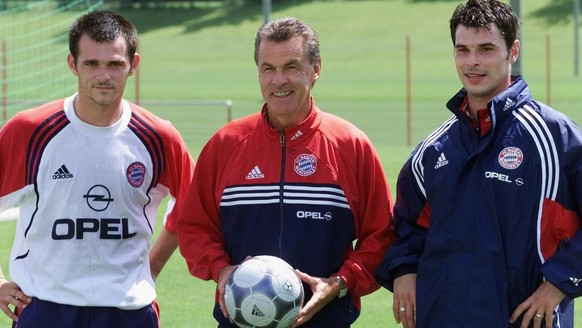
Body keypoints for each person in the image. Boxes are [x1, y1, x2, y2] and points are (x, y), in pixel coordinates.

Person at [176, 17, 395, 327]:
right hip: (239, 320)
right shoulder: (225, 144)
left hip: (327, 321)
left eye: (291, 67)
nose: (278, 80)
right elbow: (194, 228)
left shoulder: (351, 145)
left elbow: (382, 237)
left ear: (316, 68)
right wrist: (221, 269)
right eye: (268, 69)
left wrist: (339, 283)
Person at [375, 0, 582, 327]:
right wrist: (404, 270)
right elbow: (406, 227)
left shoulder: (556, 139)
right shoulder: (433, 149)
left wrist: (559, 283)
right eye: (463, 50)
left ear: (512, 52)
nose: (472, 62)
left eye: (486, 49)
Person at [0, 10, 195, 328]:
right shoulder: (29, 130)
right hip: (47, 310)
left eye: (115, 63)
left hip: (130, 312)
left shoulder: (160, 137)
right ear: (72, 64)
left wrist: (152, 267)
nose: (103, 75)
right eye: (92, 63)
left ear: (133, 65)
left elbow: (192, 210)